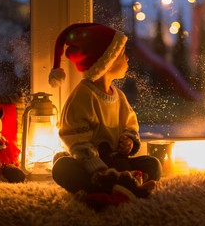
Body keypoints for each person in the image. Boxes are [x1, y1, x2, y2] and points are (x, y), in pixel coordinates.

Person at [48, 23, 162, 202]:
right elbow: (76, 139)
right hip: (90, 166)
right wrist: (97, 168)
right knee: (61, 167)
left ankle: (115, 186)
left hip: (117, 161)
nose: (127, 60)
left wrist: (129, 141)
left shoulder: (119, 96)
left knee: (153, 164)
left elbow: (130, 124)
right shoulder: (83, 96)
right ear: (107, 63)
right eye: (123, 55)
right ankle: (113, 186)